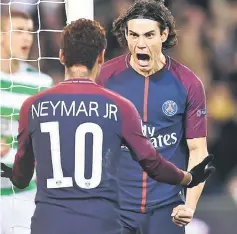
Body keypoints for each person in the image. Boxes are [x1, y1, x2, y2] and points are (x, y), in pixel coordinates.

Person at [1, 18, 214, 234]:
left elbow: (22, 177)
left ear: (62, 56)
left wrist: (8, 171)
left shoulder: (33, 105)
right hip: (100, 223)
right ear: (101, 57)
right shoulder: (120, 107)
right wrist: (189, 177)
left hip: (49, 224)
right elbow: (153, 163)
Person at [97, 0, 211, 234]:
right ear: (125, 35)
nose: (140, 44)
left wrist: (189, 205)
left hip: (166, 209)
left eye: (149, 35)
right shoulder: (105, 78)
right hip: (116, 208)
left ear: (164, 34)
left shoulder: (188, 83)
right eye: (133, 35)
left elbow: (198, 149)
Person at [0, 10, 53, 234]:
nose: (27, 38)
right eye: (19, 30)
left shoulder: (41, 84)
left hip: (23, 196)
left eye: (30, 31)